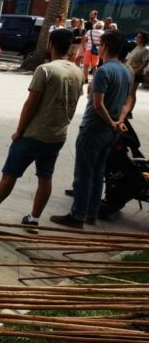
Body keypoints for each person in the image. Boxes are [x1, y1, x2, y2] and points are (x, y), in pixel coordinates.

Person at [0, 29, 83, 231]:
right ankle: (34, 218)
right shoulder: (78, 72)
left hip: (34, 134)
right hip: (57, 135)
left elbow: (30, 103)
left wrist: (19, 131)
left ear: (50, 44)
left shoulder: (46, 70)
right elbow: (74, 102)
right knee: (45, 177)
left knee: (10, 174)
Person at [51, 30, 132, 228]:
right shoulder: (126, 71)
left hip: (95, 129)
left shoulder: (104, 71)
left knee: (84, 174)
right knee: (98, 173)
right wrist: (118, 121)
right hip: (111, 131)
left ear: (104, 46)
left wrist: (111, 122)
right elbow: (128, 101)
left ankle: (77, 215)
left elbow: (97, 104)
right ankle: (91, 213)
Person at [126, 31, 149, 95]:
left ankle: (129, 105)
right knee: (127, 91)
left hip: (136, 74)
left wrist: (135, 71)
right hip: (129, 71)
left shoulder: (145, 50)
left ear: (144, 39)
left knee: (131, 93)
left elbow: (145, 63)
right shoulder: (136, 47)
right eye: (136, 36)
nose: (136, 38)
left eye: (139, 37)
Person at [82, 21, 104, 85]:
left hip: (88, 50)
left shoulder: (89, 31)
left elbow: (84, 40)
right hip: (96, 51)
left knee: (86, 66)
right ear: (102, 27)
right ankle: (94, 80)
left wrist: (84, 48)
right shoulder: (103, 33)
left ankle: (86, 79)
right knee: (94, 67)